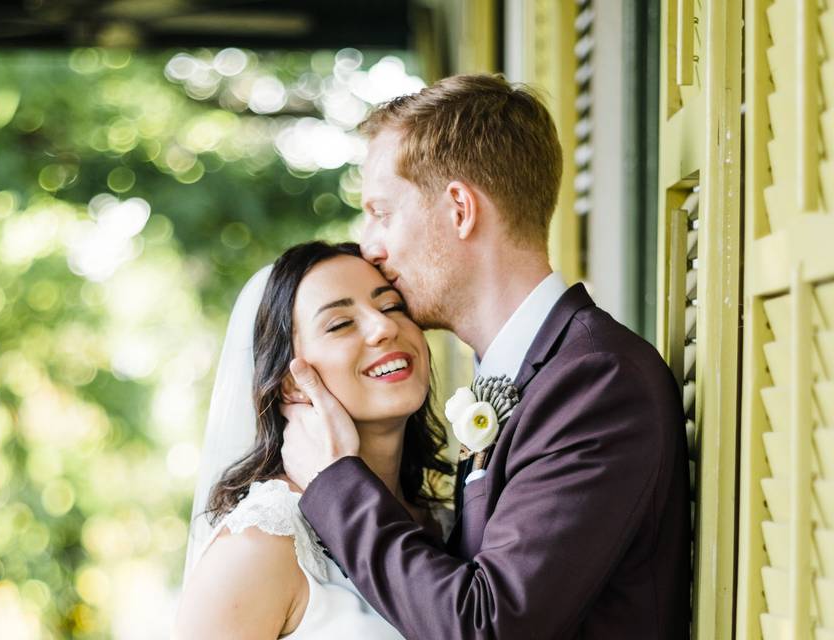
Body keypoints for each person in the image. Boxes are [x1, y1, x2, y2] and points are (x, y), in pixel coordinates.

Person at [280, 74, 692, 638]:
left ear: (459, 208)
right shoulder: (530, 375)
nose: (370, 246)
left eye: (382, 212)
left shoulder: (597, 381)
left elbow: (486, 626)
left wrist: (334, 481)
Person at [173, 241, 452, 639]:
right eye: (340, 324)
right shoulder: (261, 545)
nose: (384, 327)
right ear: (290, 383)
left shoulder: (444, 522)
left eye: (392, 306)